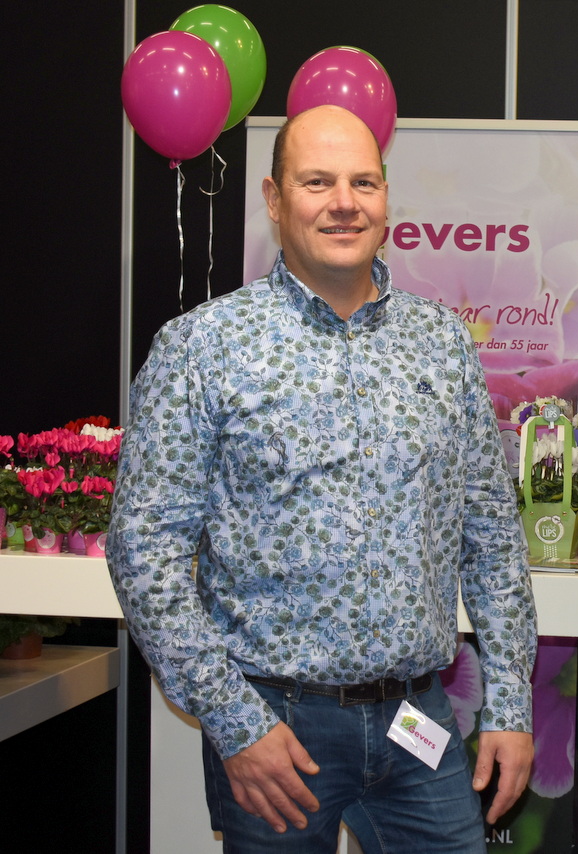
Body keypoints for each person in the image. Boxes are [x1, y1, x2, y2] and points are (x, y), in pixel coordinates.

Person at [108, 105, 537, 852]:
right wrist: (234, 722)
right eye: (317, 182)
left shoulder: (441, 343)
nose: (344, 202)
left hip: (418, 720)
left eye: (363, 182)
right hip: (275, 727)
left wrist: (510, 704)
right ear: (274, 200)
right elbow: (144, 550)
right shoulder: (203, 347)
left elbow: (492, 535)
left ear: (386, 197)